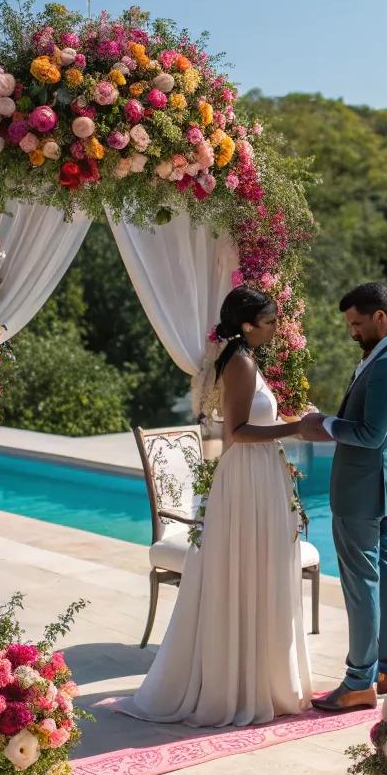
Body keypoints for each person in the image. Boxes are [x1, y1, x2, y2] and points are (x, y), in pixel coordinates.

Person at [120, 286, 313, 728]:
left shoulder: (242, 356)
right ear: (248, 324)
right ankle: (240, 684)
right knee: (248, 569)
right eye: (269, 321)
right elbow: (237, 432)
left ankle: (257, 677)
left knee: (257, 570)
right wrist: (296, 428)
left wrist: (286, 424)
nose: (275, 328)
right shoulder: (241, 361)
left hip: (257, 475)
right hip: (247, 475)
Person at [303, 282, 387, 712]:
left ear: (380, 317)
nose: (351, 332)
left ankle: (358, 681)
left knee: (362, 583)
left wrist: (324, 424)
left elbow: (371, 435)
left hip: (363, 490)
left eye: (356, 323)